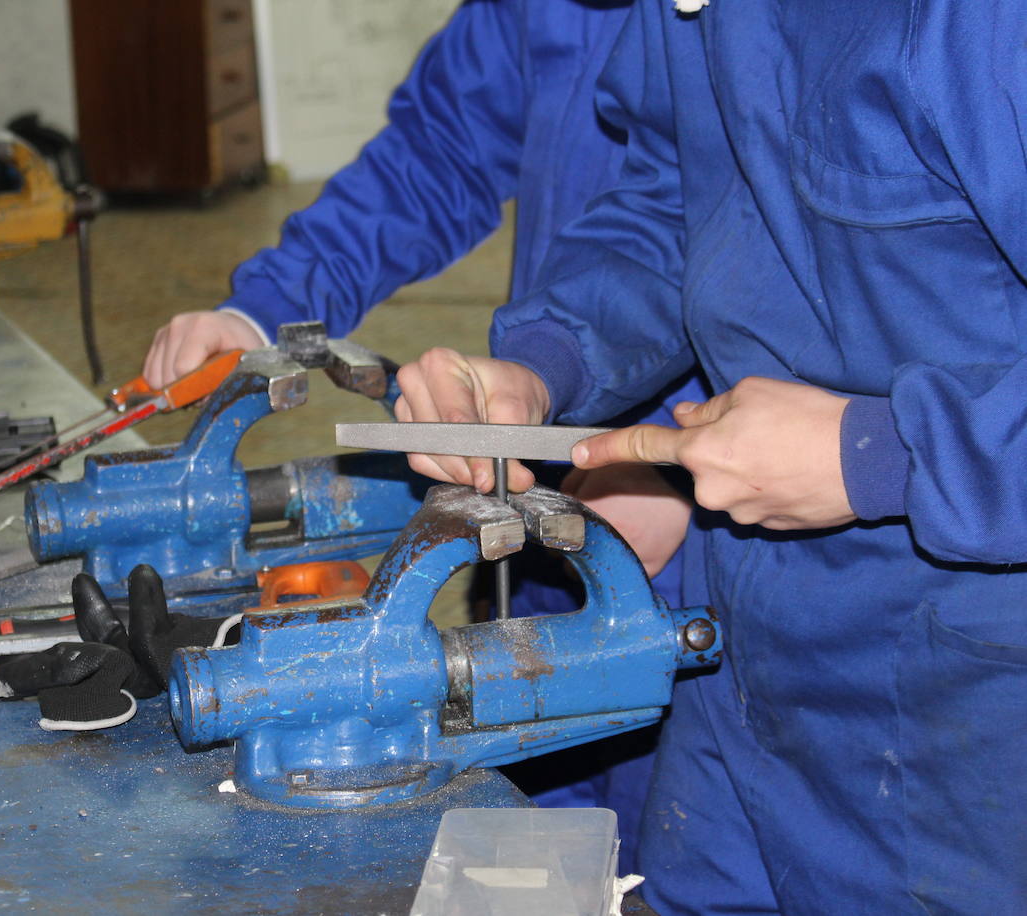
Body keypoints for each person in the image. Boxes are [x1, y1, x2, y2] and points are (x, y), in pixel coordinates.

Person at [395, 0, 1027, 912]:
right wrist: (548, 364)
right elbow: (676, 205)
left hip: (971, 703)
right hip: (747, 656)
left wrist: (882, 454)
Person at [140, 0, 702, 875]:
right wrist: (270, 306)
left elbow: (881, 279)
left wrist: (673, 454)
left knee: (681, 852)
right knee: (535, 838)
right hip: (546, 462)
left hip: (729, 526)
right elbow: (437, 153)